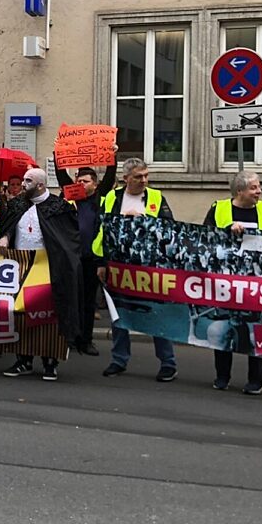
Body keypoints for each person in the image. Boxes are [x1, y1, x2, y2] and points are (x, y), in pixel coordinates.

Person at [94, 158, 179, 381]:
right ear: (126, 179)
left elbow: (169, 228)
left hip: (150, 266)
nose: (144, 180)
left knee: (156, 314)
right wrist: (102, 263)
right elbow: (103, 229)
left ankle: (168, 362)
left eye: (146, 176)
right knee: (118, 314)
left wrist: (143, 220)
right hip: (119, 264)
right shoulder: (113, 198)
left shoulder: (156, 198)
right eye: (138, 177)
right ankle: (119, 359)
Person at [0, 168, 83, 382]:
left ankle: (50, 361)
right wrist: (5, 237)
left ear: (41, 185)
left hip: (48, 269)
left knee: (48, 316)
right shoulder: (17, 204)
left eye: (28, 181)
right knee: (21, 315)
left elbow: (67, 239)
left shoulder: (58, 207)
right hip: (21, 266)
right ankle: (23, 359)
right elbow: (9, 226)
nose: (23, 184)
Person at [201, 170, 262, 395]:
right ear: (239, 191)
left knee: (258, 329)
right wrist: (227, 231)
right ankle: (222, 376)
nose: (259, 191)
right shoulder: (219, 209)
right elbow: (204, 238)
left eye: (259, 186)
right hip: (227, 281)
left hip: (258, 282)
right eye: (254, 188)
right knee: (225, 327)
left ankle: (256, 380)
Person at [55, 159, 118, 357]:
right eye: (78, 181)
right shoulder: (71, 197)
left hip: (92, 259)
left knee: (89, 301)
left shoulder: (101, 199)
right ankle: (71, 338)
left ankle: (86, 340)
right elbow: (62, 178)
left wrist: (112, 158)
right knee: (71, 299)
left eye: (85, 181)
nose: (81, 184)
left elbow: (109, 178)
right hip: (72, 258)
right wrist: (59, 156)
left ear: (95, 184)